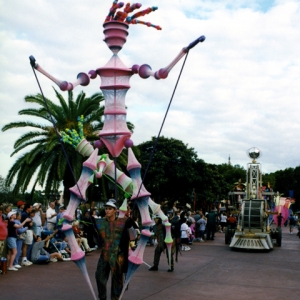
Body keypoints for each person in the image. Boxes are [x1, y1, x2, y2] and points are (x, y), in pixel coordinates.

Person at [95, 199, 134, 300]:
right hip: (105, 255)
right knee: (99, 277)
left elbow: (132, 229)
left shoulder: (122, 222)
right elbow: (91, 225)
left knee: (117, 281)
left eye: (110, 209)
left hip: (118, 255)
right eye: (106, 208)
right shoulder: (101, 222)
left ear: (115, 210)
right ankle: (102, 297)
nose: (107, 210)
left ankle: (115, 298)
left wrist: (128, 216)